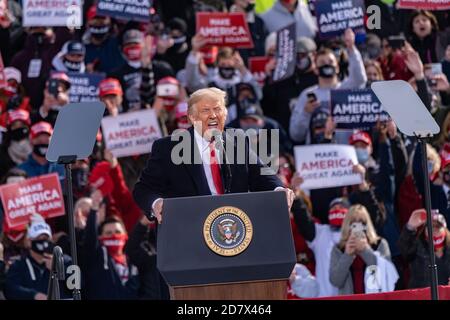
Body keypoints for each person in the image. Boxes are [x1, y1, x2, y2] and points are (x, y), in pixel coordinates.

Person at [133, 87, 294, 223]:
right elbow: (144, 189)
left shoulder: (237, 140)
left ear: (225, 114)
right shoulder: (167, 148)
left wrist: (279, 189)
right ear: (191, 117)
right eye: (205, 110)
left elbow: (262, 175)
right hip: (190, 229)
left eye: (218, 109)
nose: (213, 115)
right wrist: (156, 203)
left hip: (234, 228)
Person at [289, 28, 367, 145]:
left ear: (337, 67)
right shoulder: (307, 95)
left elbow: (360, 79)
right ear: (315, 70)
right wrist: (305, 112)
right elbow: (296, 135)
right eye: (322, 63)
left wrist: (351, 49)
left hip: (346, 152)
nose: (326, 65)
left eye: (330, 62)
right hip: (318, 157)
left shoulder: (347, 89)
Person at [81, 190, 140, 300]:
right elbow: (90, 239)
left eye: (117, 232)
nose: (113, 236)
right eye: (108, 233)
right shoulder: (97, 257)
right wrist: (94, 208)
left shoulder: (133, 260)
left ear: (125, 235)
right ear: (100, 237)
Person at [329, 205, 397, 295]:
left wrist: (365, 250)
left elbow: (386, 274)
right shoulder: (339, 249)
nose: (358, 226)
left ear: (367, 224)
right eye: (353, 222)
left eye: (361, 222)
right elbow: (335, 281)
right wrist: (347, 255)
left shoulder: (379, 244)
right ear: (347, 224)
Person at [292, 197, 350, 297]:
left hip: (351, 295)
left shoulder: (355, 234)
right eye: (333, 207)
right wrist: (296, 199)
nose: (337, 208)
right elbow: (304, 221)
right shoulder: (320, 233)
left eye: (341, 206)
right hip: (325, 295)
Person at [3, 214, 71, 300]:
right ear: (29, 242)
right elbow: (10, 289)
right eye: (38, 238)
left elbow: (79, 286)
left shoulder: (65, 260)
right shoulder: (19, 264)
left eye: (46, 238)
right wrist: (34, 295)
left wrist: (60, 270)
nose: (43, 242)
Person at [262, 36, 318, 132]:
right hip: (284, 134)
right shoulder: (284, 79)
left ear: (314, 55)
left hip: (312, 135)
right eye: (296, 56)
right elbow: (267, 106)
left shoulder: (320, 79)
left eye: (303, 55)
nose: (299, 59)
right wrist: (270, 78)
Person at [398, 209, 450, 288]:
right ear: (424, 230)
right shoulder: (417, 248)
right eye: (430, 227)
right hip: (420, 295)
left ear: (445, 230)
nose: (434, 230)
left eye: (438, 226)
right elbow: (403, 247)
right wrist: (410, 227)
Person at [83, 5, 126, 74]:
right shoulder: (81, 47)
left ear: (110, 22)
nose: (99, 22)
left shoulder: (118, 43)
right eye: (95, 18)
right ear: (87, 23)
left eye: (102, 18)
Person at [0, 109, 32, 180]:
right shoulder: (3, 151)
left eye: (22, 125)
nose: (18, 128)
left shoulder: (36, 146)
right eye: (14, 125)